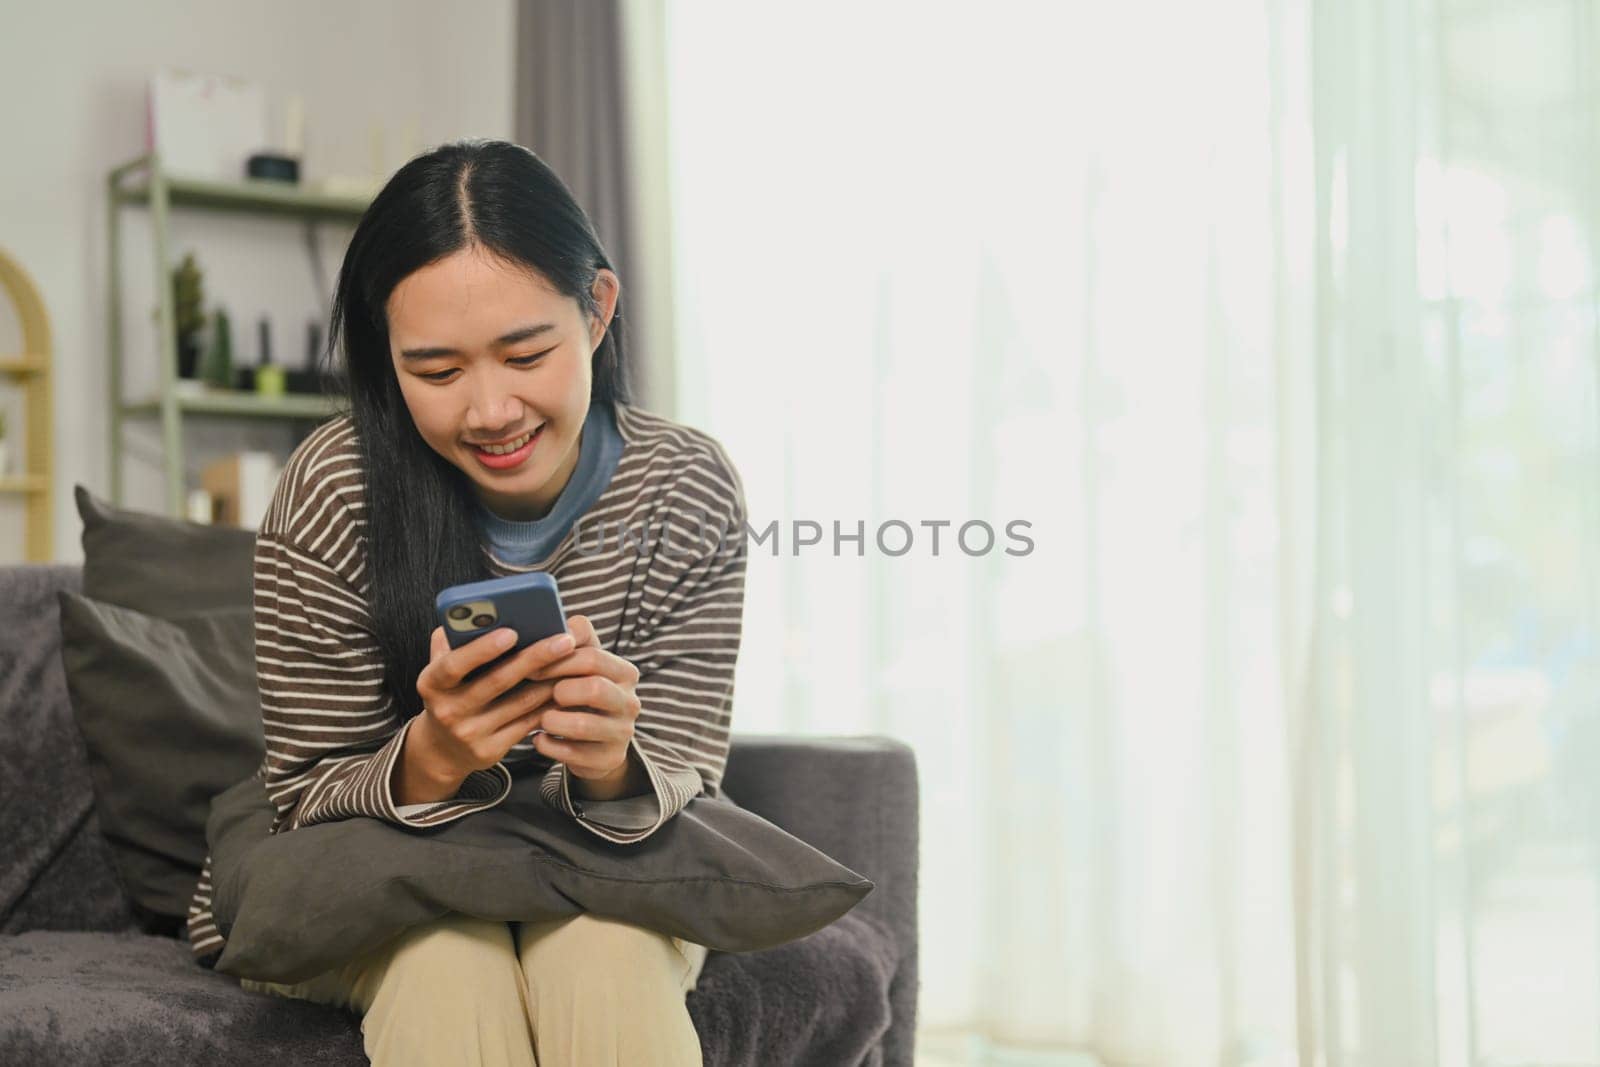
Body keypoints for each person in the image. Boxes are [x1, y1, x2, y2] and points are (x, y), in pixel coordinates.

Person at [184, 140, 749, 1067]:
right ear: (386, 355)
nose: (489, 410)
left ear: (598, 310)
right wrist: (433, 755)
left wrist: (612, 763)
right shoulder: (332, 489)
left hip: (596, 862)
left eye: (526, 353)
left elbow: (686, 766)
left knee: (604, 956)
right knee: (452, 965)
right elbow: (300, 796)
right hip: (376, 867)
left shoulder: (682, 487)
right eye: (437, 372)